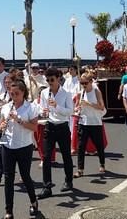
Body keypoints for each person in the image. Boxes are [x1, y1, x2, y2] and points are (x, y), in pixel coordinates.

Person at [0, 79, 40, 219]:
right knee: (8, 178)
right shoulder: (6, 107)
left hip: (24, 146)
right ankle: (8, 211)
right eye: (12, 94)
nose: (14, 96)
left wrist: (19, 120)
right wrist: (1, 126)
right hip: (8, 146)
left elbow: (34, 128)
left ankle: (34, 202)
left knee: (25, 176)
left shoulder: (31, 107)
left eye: (17, 94)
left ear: (23, 93)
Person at [37, 67, 75, 199]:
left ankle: (68, 181)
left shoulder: (66, 93)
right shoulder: (44, 93)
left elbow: (70, 111)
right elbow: (42, 109)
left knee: (66, 156)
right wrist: (43, 112)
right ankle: (47, 187)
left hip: (63, 127)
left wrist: (56, 107)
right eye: (47, 80)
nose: (50, 82)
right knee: (46, 157)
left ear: (58, 78)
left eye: (52, 80)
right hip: (50, 126)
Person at [74, 72, 107, 178]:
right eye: (81, 83)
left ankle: (102, 163)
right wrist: (77, 109)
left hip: (95, 122)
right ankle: (80, 170)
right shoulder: (80, 93)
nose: (83, 85)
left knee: (99, 145)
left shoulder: (96, 91)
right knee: (81, 146)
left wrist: (88, 104)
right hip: (83, 122)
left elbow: (101, 107)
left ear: (91, 82)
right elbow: (76, 106)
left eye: (85, 83)